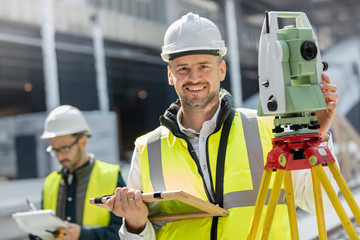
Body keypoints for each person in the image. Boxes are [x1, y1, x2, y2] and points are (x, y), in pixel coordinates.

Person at [105, 13, 339, 239]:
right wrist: (135, 225)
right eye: (183, 68)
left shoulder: (267, 130)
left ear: (222, 70)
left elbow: (323, 204)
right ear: (170, 75)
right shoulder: (148, 149)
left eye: (204, 66)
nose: (194, 77)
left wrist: (315, 137)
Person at [31, 105, 125, 240]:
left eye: (65, 148)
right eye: (55, 150)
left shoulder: (110, 176)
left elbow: (124, 233)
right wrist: (35, 228)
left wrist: (82, 235)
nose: (60, 156)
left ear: (83, 140)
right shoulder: (50, 182)